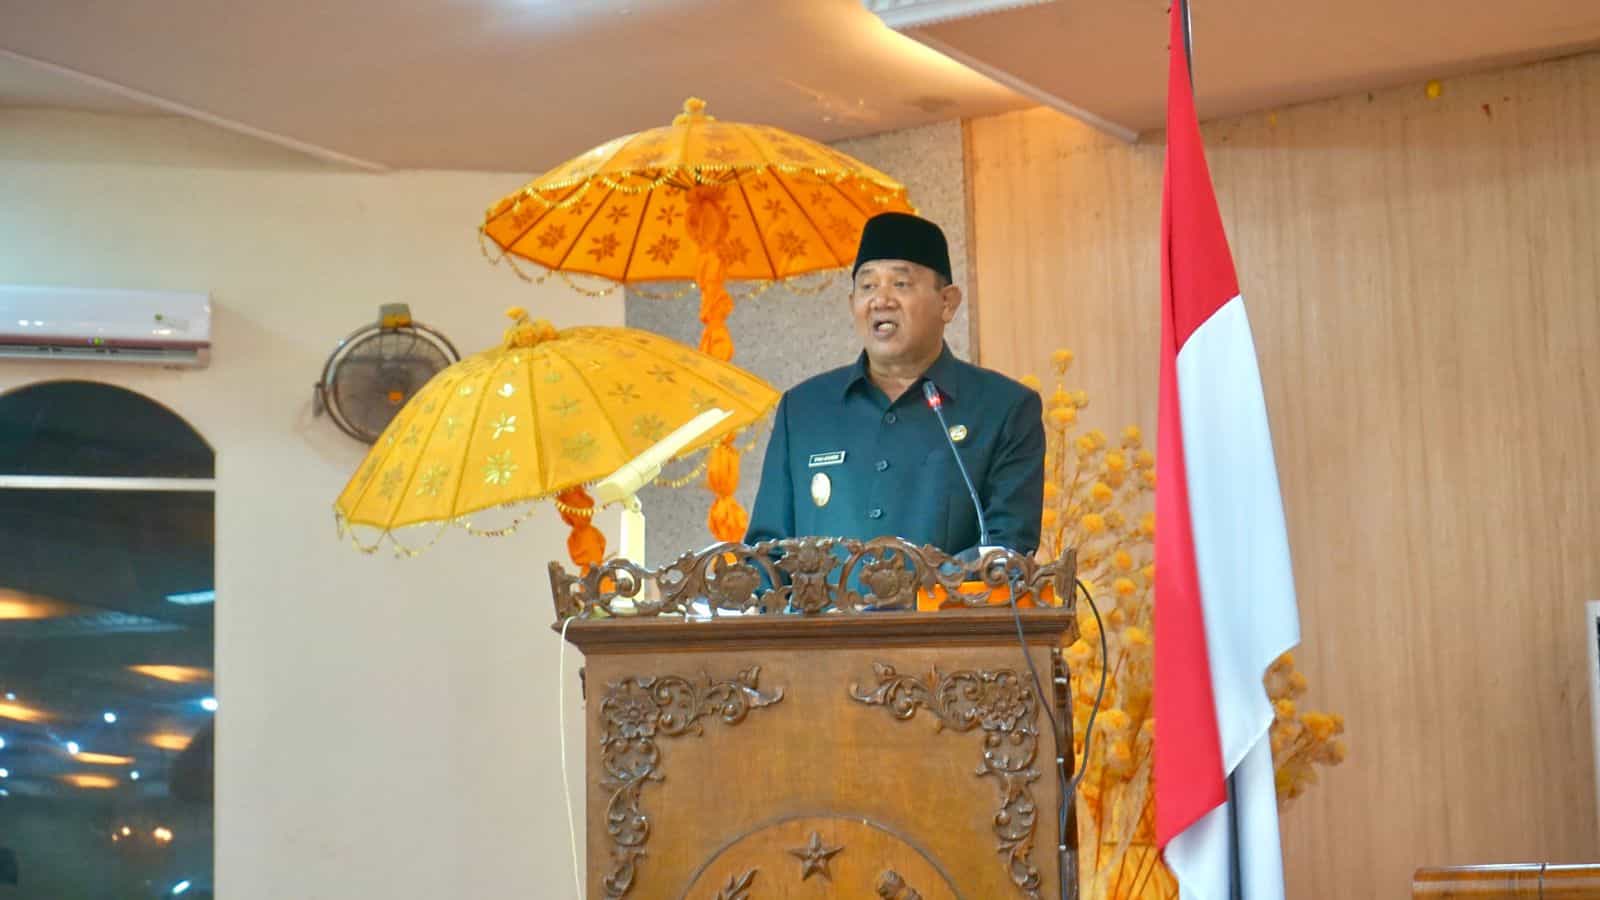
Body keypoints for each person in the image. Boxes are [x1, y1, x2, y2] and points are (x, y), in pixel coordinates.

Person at [745, 211, 1044, 559]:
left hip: (949, 599)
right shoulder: (803, 410)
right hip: (821, 599)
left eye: (901, 284)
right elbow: (766, 553)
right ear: (852, 304)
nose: (881, 300)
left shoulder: (1003, 409)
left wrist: (915, 589)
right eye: (868, 286)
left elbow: (1005, 548)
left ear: (947, 303)